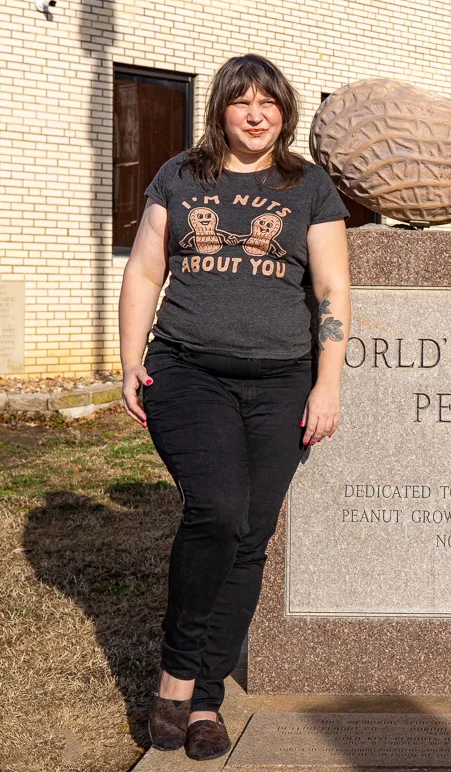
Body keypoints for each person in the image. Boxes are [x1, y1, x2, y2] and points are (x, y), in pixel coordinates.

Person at [117, 54, 350, 761]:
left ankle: (206, 700)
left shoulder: (308, 185)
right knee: (217, 509)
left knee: (251, 534)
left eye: (269, 102)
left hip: (282, 380)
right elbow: (145, 268)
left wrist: (328, 381)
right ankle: (175, 676)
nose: (255, 114)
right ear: (220, 110)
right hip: (188, 370)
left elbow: (332, 290)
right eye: (241, 101)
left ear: (285, 111)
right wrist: (130, 358)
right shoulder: (182, 176)